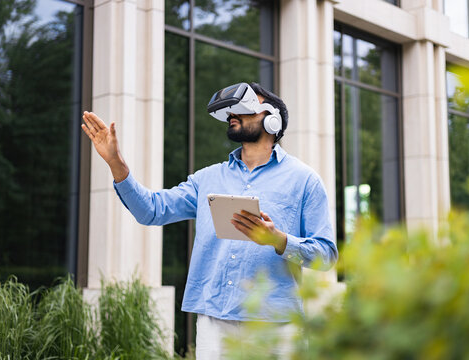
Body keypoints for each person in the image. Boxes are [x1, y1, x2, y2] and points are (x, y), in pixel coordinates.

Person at [81, 82, 338, 359]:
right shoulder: (207, 178)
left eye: (244, 109)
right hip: (214, 322)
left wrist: (279, 240)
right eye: (230, 113)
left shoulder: (305, 180)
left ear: (272, 120)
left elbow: (326, 256)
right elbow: (151, 210)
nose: (232, 116)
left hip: (277, 324)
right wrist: (116, 164)